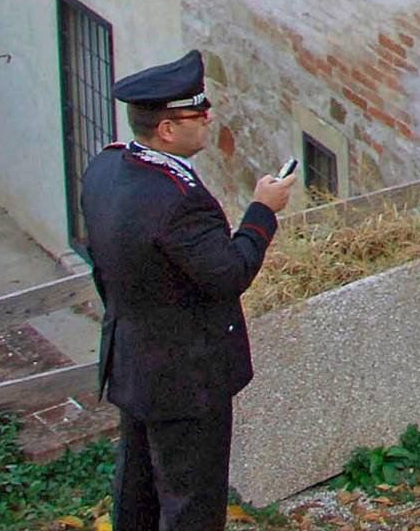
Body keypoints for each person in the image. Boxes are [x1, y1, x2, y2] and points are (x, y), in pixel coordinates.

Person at [81, 50, 297, 531]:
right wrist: (263, 210)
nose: (208, 119)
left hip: (132, 360)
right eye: (198, 114)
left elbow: (106, 265)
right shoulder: (179, 203)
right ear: (167, 130)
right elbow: (228, 273)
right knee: (191, 502)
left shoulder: (106, 168)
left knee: (136, 492)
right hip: (186, 378)